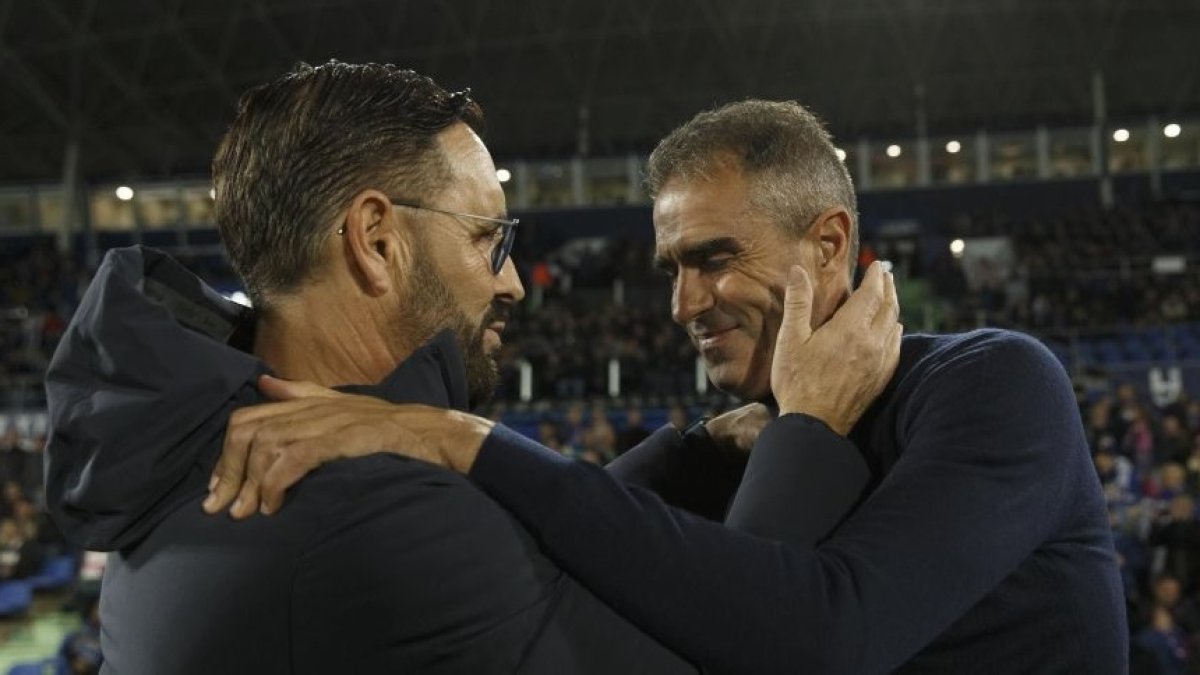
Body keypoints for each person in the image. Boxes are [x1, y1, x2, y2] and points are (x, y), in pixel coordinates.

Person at [214, 100, 1128, 673]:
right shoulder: (744, 439)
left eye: (715, 258)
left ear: (830, 244)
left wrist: (455, 435)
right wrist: (692, 446)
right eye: (671, 267)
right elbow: (563, 576)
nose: (686, 302)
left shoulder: (995, 384)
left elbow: (825, 637)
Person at [43, 63, 898, 673]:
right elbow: (728, 642)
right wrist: (810, 433)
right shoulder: (375, 515)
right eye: (490, 239)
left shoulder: (190, 454)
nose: (514, 282)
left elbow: (536, 567)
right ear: (377, 241)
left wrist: (690, 458)